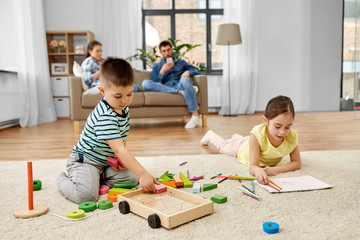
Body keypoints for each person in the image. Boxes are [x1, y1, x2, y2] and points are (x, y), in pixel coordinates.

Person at [57, 57, 158, 204]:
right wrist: (144, 174)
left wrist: (121, 161)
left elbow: (121, 140)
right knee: (85, 196)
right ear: (102, 91)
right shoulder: (105, 116)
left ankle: (98, 177)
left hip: (106, 162)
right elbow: (119, 150)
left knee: (132, 179)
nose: (124, 101)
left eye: (129, 94)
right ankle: (61, 179)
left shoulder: (122, 107)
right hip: (86, 161)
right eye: (118, 96)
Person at [200, 95, 301, 185]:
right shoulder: (256, 134)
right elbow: (253, 166)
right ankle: (210, 135)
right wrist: (257, 171)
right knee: (224, 147)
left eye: (287, 127)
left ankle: (236, 137)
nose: (282, 132)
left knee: (246, 139)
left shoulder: (291, 136)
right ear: (265, 121)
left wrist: (277, 170)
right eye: (278, 126)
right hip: (242, 149)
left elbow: (296, 162)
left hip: (251, 141)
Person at [142, 40, 201, 128]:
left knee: (185, 80)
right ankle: (182, 92)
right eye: (164, 51)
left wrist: (188, 71)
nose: (167, 53)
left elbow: (196, 70)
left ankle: (195, 115)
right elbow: (156, 84)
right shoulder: (157, 66)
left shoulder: (181, 62)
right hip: (166, 87)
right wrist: (162, 72)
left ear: (172, 50)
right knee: (145, 83)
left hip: (180, 84)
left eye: (168, 50)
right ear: (161, 52)